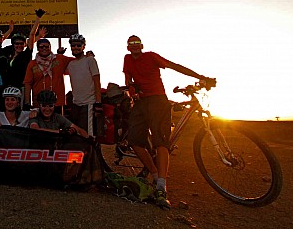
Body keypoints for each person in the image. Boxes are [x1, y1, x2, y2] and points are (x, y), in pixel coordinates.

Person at [123, 35, 214, 210]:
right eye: (131, 44)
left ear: (142, 45)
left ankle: (161, 186)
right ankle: (155, 175)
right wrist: (132, 91)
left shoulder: (151, 56)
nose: (134, 46)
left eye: (137, 43)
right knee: (134, 141)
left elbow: (174, 66)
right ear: (128, 47)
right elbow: (128, 79)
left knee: (161, 141)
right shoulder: (127, 59)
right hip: (141, 102)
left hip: (158, 100)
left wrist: (200, 76)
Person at [0, 9, 47, 90]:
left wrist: (38, 18)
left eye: (21, 44)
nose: (19, 45)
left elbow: (32, 34)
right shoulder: (8, 53)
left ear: (24, 45)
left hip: (22, 88)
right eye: (17, 44)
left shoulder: (26, 54)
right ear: (13, 45)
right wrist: (10, 30)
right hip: (7, 88)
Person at [66, 34, 102, 136]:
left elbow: (97, 81)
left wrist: (98, 103)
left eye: (78, 45)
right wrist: (60, 55)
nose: (75, 47)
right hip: (76, 103)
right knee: (78, 133)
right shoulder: (71, 64)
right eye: (73, 45)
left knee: (88, 135)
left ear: (83, 47)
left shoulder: (90, 60)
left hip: (89, 103)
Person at [23, 38, 74, 110]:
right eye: (41, 47)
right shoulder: (32, 63)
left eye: (46, 46)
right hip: (39, 103)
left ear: (50, 47)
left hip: (57, 103)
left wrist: (87, 56)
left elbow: (78, 61)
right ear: (37, 48)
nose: (44, 48)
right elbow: (28, 83)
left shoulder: (60, 58)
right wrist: (27, 102)